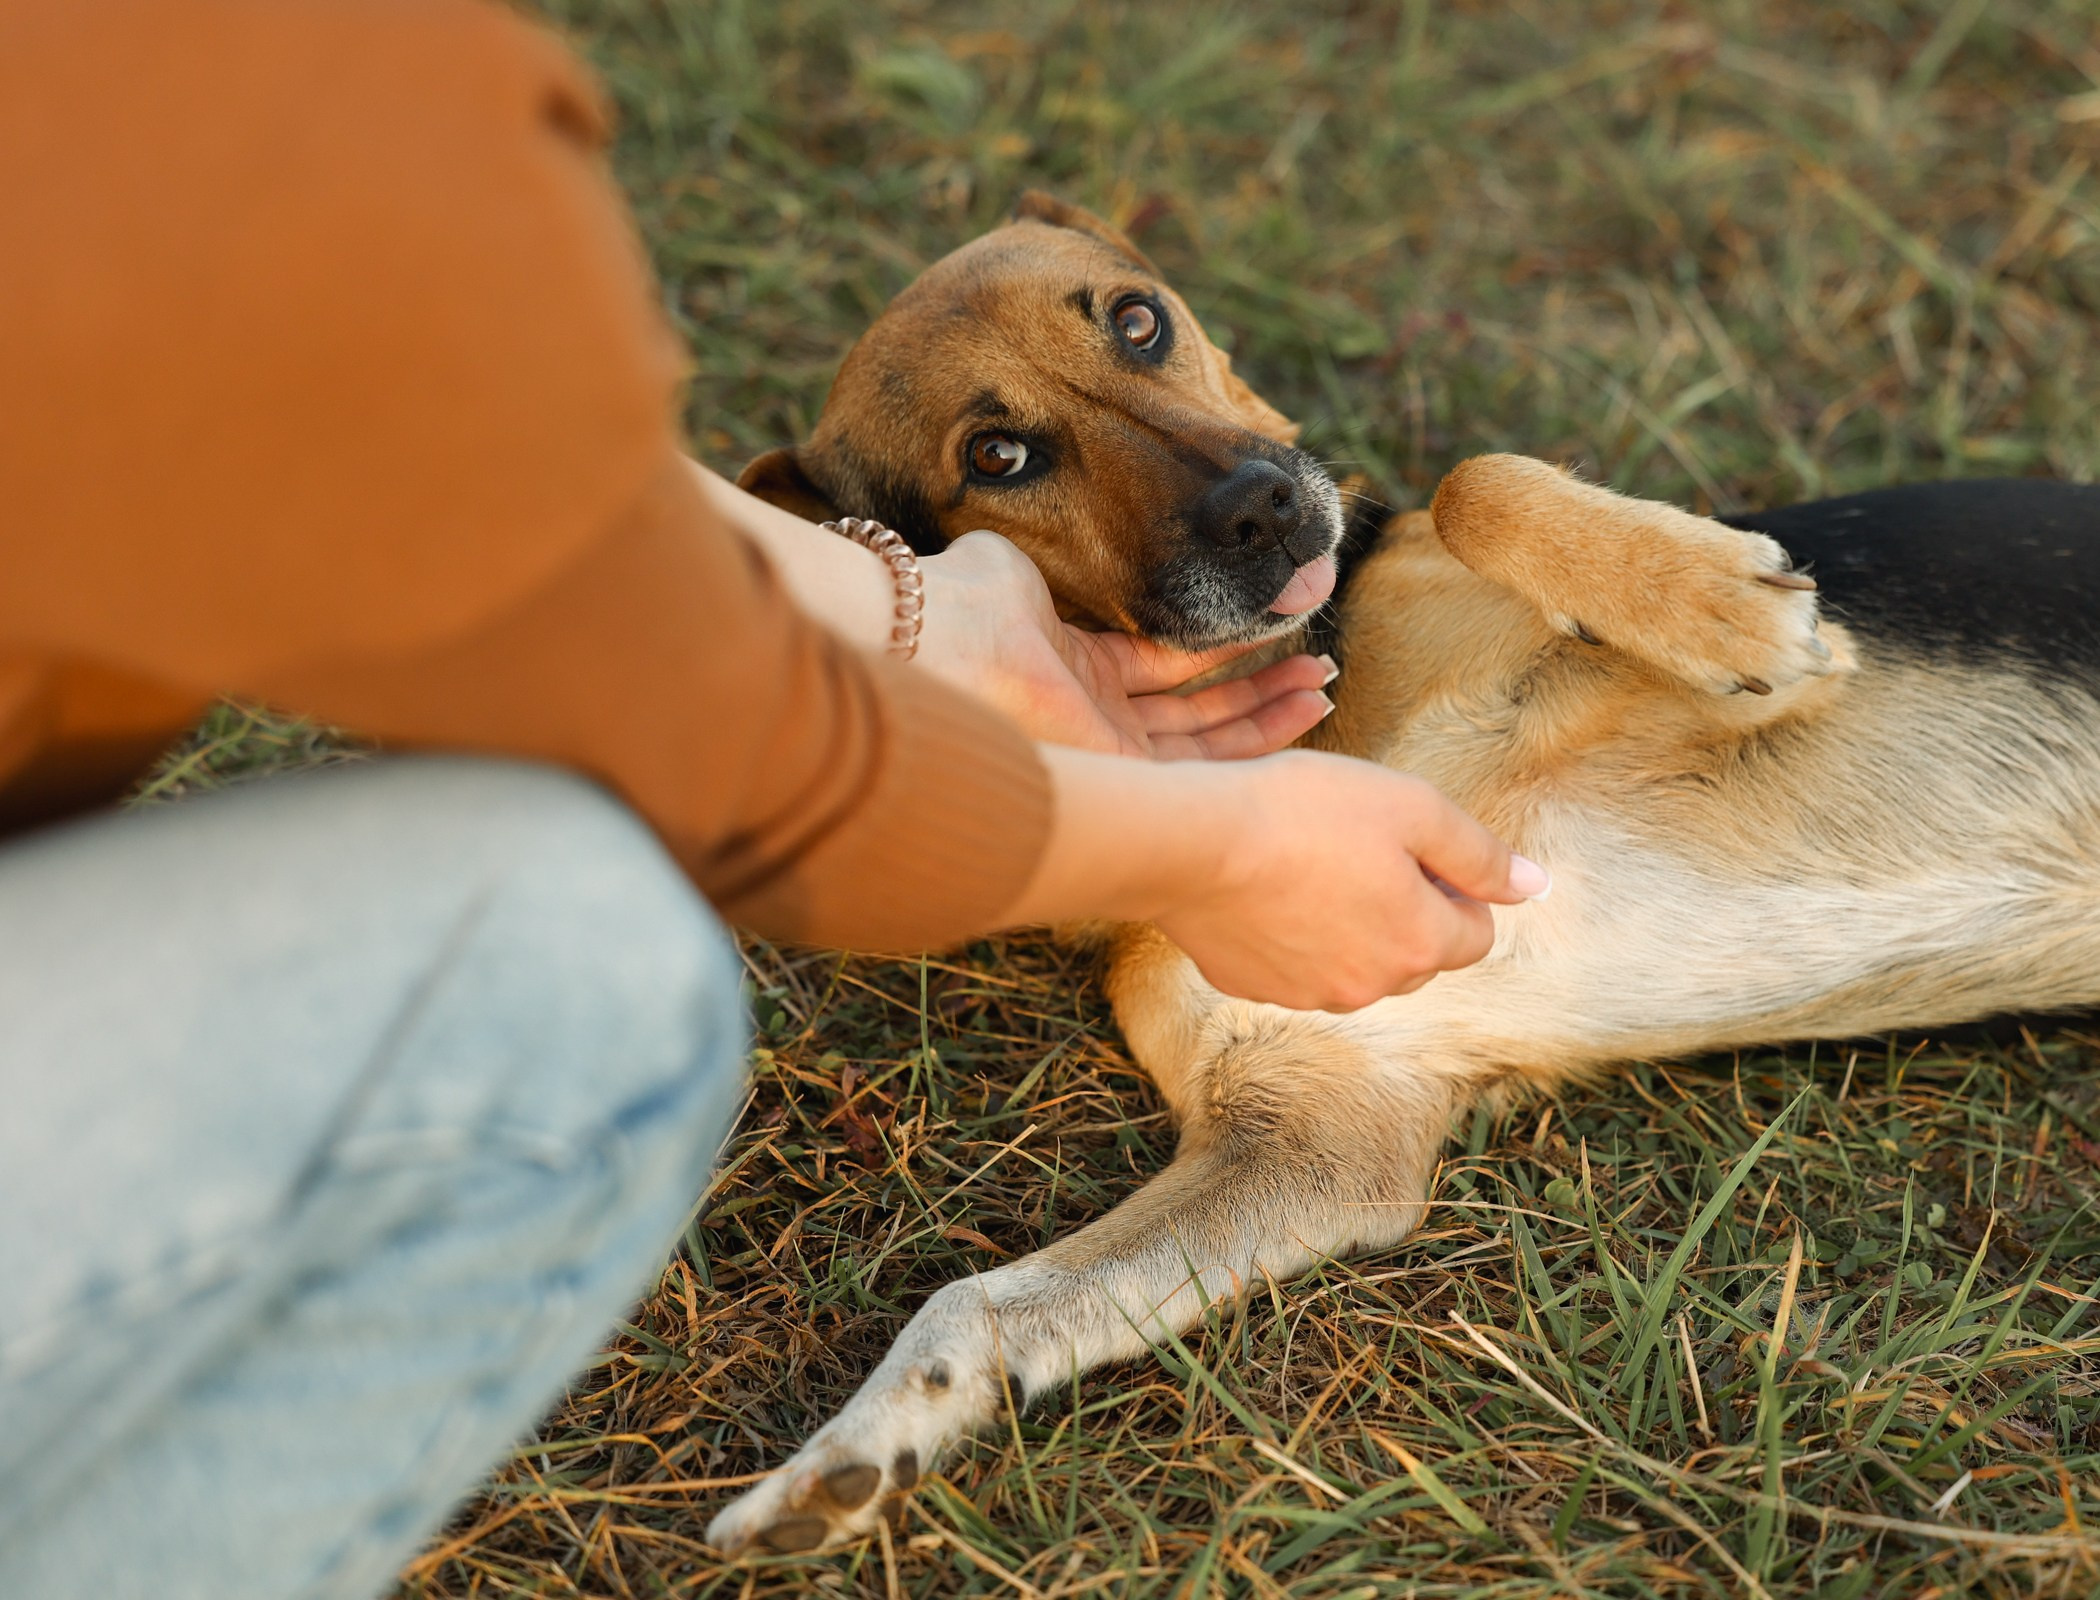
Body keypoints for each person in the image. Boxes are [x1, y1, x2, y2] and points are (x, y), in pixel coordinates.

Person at [0, 3, 1549, 1596]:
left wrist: (892, 611)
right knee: (577, 956)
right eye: (1007, 458)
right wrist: (1223, 848)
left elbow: (486, 477)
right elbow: (742, 759)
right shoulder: (310, 122)